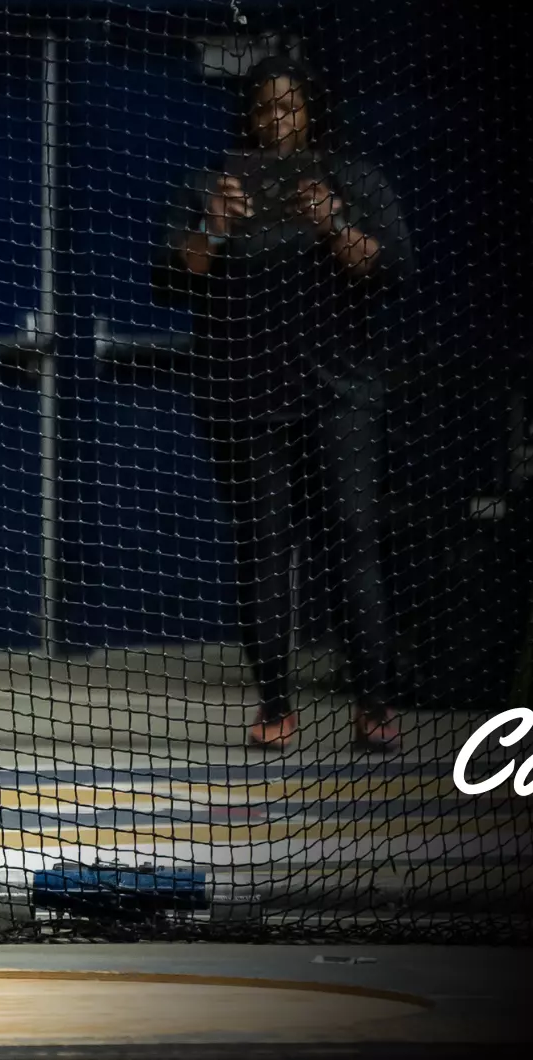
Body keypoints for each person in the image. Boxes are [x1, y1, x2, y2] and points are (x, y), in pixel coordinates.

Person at [152, 55, 415, 752]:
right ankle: (275, 704)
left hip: (340, 392)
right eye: (266, 107)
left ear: (311, 111)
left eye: (290, 106)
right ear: (249, 114)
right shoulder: (213, 184)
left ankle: (375, 705)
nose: (277, 119)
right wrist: (213, 226)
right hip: (243, 392)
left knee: (353, 541)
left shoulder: (351, 179)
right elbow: (169, 283)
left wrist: (332, 221)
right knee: (263, 550)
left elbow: (393, 269)